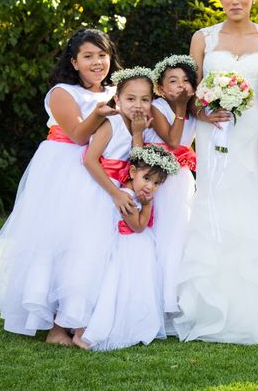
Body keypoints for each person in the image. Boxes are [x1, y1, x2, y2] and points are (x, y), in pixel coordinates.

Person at [0, 29, 121, 344]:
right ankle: (55, 324)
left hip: (103, 168)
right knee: (59, 240)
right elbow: (79, 135)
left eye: (102, 55)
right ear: (74, 62)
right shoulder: (61, 92)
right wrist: (100, 111)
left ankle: (81, 317)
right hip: (65, 167)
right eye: (88, 56)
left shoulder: (117, 90)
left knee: (91, 241)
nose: (97, 62)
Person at [174, 0, 258, 344]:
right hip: (214, 132)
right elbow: (186, 91)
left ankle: (253, 307)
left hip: (253, 133)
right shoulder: (203, 38)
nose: (235, 0)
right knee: (215, 202)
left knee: (252, 204)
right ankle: (206, 305)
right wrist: (202, 111)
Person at [70, 65, 156, 346]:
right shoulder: (111, 123)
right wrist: (116, 194)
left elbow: (137, 162)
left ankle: (109, 317)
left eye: (145, 99)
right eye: (130, 99)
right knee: (93, 257)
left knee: (114, 261)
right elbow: (89, 160)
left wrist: (139, 133)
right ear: (117, 99)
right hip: (101, 193)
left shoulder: (141, 126)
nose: (138, 105)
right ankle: (80, 324)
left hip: (122, 196)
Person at [74, 145, 179, 351]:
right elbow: (138, 226)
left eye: (157, 183)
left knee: (136, 287)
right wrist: (147, 205)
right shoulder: (128, 198)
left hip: (137, 248)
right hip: (128, 248)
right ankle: (102, 329)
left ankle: (135, 324)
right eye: (147, 178)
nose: (150, 186)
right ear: (132, 172)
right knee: (120, 287)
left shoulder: (133, 193)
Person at [143, 55, 198, 333]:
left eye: (186, 81)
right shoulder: (158, 107)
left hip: (182, 180)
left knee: (180, 238)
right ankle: (156, 303)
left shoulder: (192, 111)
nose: (180, 86)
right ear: (161, 88)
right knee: (161, 237)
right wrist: (178, 107)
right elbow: (173, 140)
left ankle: (176, 302)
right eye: (172, 81)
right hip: (158, 181)